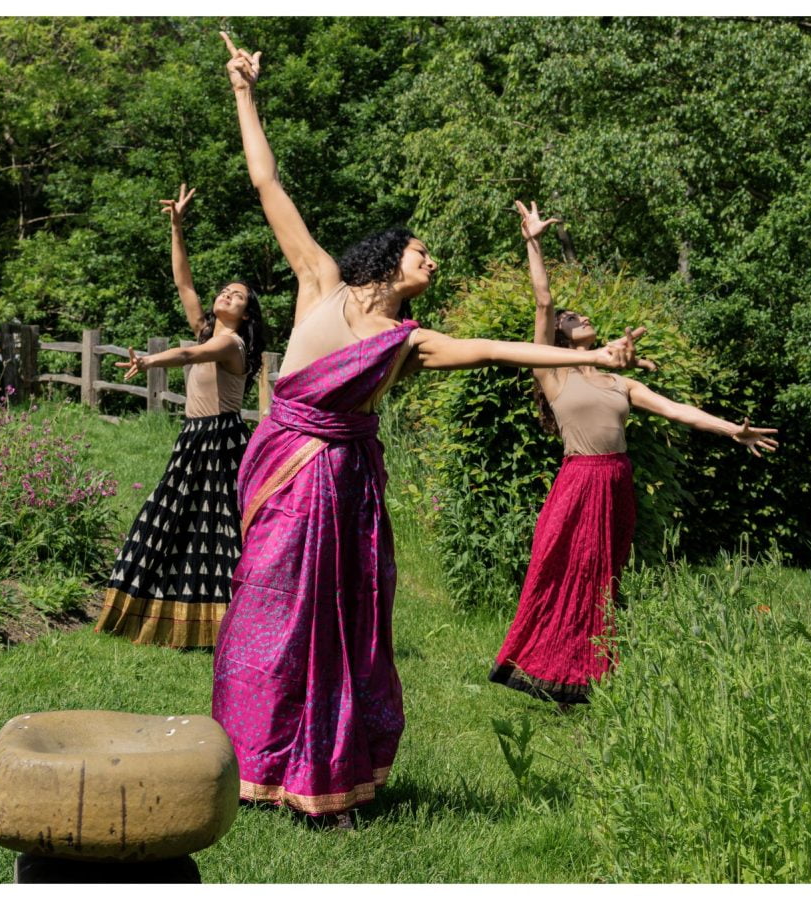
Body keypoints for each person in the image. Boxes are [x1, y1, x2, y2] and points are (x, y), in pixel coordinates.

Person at [212, 35, 648, 824]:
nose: (432, 259)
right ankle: (249, 761)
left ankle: (326, 774)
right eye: (423, 250)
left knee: (344, 622)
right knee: (273, 611)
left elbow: (494, 351)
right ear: (389, 255)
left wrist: (600, 352)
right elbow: (265, 181)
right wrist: (245, 92)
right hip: (286, 470)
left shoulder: (408, 344)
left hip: (345, 488)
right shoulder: (321, 281)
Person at [489, 200, 779, 707]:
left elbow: (678, 411)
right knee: (564, 571)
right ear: (559, 334)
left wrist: (733, 430)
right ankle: (550, 669)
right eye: (571, 316)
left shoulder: (620, 381)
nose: (579, 317)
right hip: (578, 482)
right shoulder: (551, 372)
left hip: (615, 482)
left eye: (580, 315)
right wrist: (532, 242)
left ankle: (589, 674)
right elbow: (542, 301)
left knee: (603, 578)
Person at [94, 183, 267, 648]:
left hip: (223, 440)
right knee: (172, 518)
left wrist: (151, 362)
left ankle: (244, 624)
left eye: (239, 298)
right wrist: (176, 226)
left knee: (221, 530)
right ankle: (159, 615)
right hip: (195, 436)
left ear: (247, 316)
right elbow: (184, 282)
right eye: (226, 292)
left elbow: (193, 352)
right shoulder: (208, 326)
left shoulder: (231, 343)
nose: (228, 297)